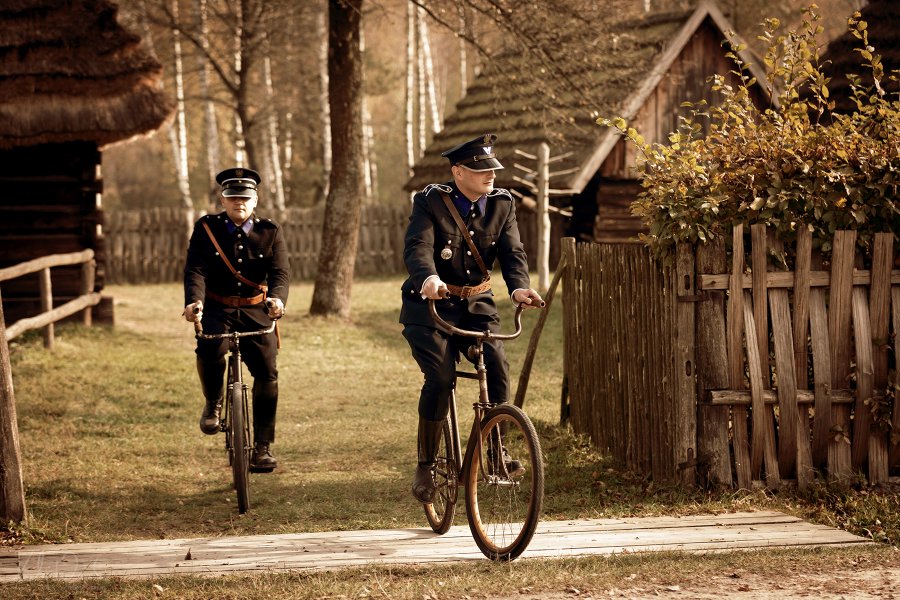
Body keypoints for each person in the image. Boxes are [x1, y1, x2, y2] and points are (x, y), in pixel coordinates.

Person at [400, 133, 544, 503]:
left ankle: (495, 450)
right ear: (458, 171)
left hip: (477, 304)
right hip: (428, 307)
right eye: (482, 169)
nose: (491, 175)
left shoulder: (501, 204)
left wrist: (518, 289)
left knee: (496, 363)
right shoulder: (432, 200)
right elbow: (417, 247)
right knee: (440, 376)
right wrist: (429, 278)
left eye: (493, 168)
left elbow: (513, 253)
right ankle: (426, 465)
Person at [183, 167, 290, 471]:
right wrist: (195, 302)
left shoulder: (270, 231)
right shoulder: (206, 229)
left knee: (268, 373)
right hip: (217, 308)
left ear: (255, 200)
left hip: (257, 309)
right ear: (223, 199)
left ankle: (263, 448)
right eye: (233, 197)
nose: (239, 202)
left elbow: (280, 272)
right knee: (209, 349)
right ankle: (213, 402)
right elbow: (196, 269)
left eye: (245, 197)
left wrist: (277, 300)